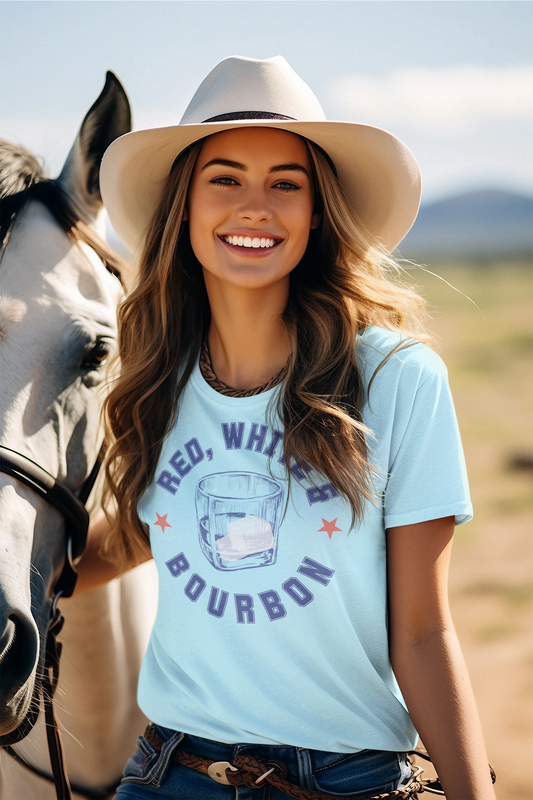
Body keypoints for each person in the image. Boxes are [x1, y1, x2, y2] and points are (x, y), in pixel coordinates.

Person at [76, 55, 496, 799]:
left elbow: (423, 631)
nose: (255, 206)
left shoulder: (394, 377)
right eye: (225, 179)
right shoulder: (156, 377)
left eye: (285, 184)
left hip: (342, 781)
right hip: (171, 770)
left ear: (315, 212)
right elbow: (141, 535)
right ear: (186, 206)